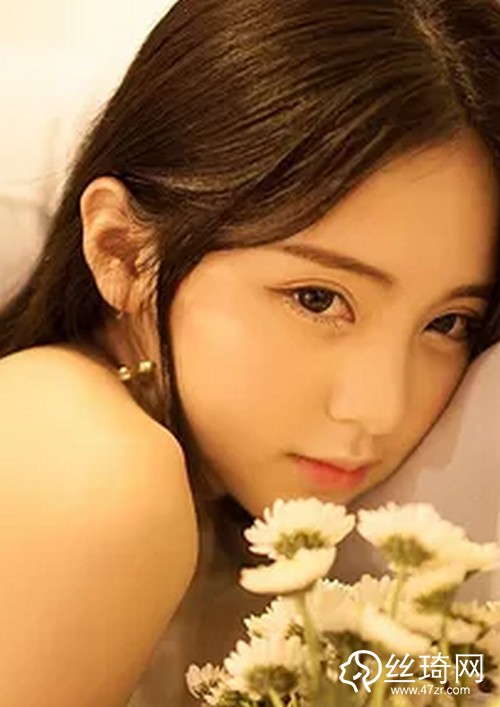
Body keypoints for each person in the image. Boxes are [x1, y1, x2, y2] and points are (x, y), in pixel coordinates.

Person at [1, 0, 500, 705]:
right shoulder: (103, 481)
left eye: (447, 322)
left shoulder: (218, 508)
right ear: (124, 252)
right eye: (317, 299)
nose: (379, 408)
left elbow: (342, 674)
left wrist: (470, 670)